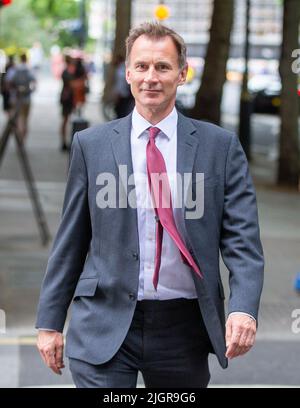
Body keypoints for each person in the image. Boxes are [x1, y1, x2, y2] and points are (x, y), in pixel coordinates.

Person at [36, 22, 264, 388]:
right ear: (127, 73)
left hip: (182, 329)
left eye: (163, 67)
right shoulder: (90, 146)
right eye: (141, 66)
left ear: (182, 74)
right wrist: (49, 321)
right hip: (103, 321)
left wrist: (242, 308)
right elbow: (71, 240)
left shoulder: (219, 148)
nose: (151, 77)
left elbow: (243, 242)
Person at [7, 54, 36, 142]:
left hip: (17, 98)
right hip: (26, 98)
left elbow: (10, 82)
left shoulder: (16, 70)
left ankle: (20, 138)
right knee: (25, 120)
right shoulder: (28, 69)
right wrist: (30, 90)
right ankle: (22, 139)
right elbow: (34, 81)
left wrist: (15, 91)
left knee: (19, 119)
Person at [59, 55, 75, 152]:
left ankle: (64, 141)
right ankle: (64, 141)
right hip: (67, 98)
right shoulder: (66, 72)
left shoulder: (68, 71)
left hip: (68, 97)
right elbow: (71, 84)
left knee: (66, 120)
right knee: (65, 120)